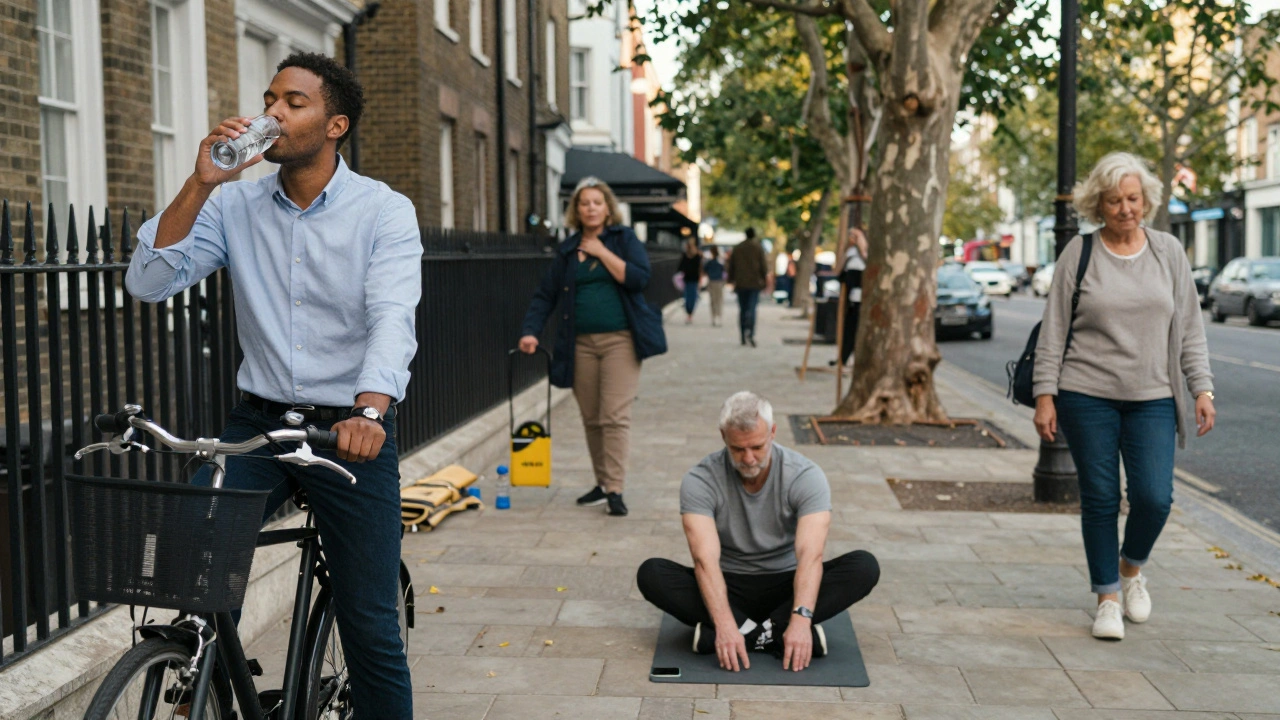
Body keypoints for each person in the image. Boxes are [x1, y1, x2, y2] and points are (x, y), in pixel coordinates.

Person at [125, 53, 418, 717]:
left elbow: (392, 317)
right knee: (193, 558)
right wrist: (200, 184)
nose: (272, 115)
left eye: (293, 102)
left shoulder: (383, 212)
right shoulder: (234, 204)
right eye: (269, 99)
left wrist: (370, 409)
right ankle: (207, 682)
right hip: (259, 423)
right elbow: (146, 283)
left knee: (369, 624)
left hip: (348, 429)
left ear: (334, 124)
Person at [1032, 152, 1216, 641]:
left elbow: (1190, 329)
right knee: (1100, 498)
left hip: (1154, 394)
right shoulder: (1081, 252)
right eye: (1114, 200)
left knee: (1155, 498)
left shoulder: (1168, 252)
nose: (1125, 208)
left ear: (1146, 199)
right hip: (1085, 393)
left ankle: (1131, 568)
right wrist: (1045, 395)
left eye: (1132, 198)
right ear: (1100, 203)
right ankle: (1107, 597)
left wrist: (1202, 387)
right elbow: (1054, 329)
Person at [636, 392, 880, 673]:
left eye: (757, 447)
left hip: (787, 584)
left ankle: (749, 633)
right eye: (738, 449)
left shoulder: (805, 475)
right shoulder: (700, 479)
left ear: (773, 432)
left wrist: (801, 621)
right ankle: (769, 635)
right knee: (651, 573)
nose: (749, 458)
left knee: (863, 566)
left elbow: (810, 556)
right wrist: (725, 624)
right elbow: (705, 560)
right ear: (723, 436)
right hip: (727, 585)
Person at [519, 177, 664, 518]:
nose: (591, 208)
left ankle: (615, 488)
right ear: (576, 210)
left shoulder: (623, 239)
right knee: (592, 418)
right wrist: (530, 331)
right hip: (579, 344)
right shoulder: (569, 249)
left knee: (614, 415)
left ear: (608, 207)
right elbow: (546, 294)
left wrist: (601, 252)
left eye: (597, 202)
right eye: (584, 203)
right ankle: (601, 483)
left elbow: (640, 278)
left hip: (621, 341)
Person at [727, 228, 769, 347]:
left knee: (743, 309)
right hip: (754, 283)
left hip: (741, 283)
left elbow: (732, 265)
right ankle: (750, 332)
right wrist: (764, 280)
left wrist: (731, 279)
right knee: (752, 309)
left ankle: (742, 334)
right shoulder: (758, 248)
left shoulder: (738, 248)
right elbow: (763, 266)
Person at [838, 227, 869, 367]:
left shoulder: (860, 256)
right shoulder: (850, 253)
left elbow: (852, 278)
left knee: (854, 329)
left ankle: (848, 357)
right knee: (850, 329)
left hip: (858, 300)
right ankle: (844, 357)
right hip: (852, 300)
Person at [679, 238, 704, 324]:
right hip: (692, 279)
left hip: (689, 279)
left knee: (688, 297)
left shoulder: (689, 256)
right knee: (692, 297)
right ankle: (690, 313)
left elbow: (680, 268)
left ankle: (689, 313)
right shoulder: (697, 256)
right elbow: (700, 269)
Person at [705, 246, 726, 326]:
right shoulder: (719, 261)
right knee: (718, 300)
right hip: (718, 281)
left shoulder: (710, 262)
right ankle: (718, 316)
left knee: (713, 300)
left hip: (712, 281)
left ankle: (714, 316)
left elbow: (705, 269)